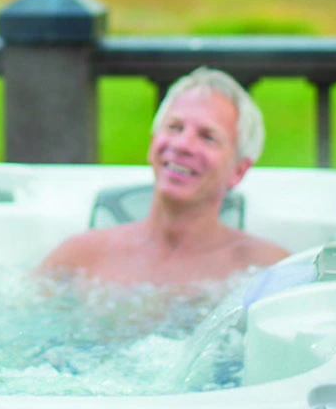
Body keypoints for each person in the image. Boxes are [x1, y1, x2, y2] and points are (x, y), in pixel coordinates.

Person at [38, 67, 288, 288]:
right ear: (152, 143)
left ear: (238, 170)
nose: (182, 144)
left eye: (207, 136)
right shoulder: (77, 260)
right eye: (174, 127)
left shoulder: (269, 272)